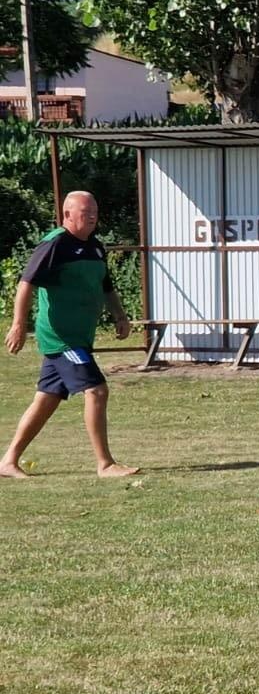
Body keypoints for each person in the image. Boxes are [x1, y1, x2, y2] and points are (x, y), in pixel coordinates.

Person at [2, 190, 139, 479]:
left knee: (47, 398)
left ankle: (8, 460)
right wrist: (18, 324)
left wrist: (120, 314)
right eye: (85, 211)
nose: (92, 216)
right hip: (61, 337)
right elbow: (26, 283)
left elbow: (106, 286)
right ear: (67, 215)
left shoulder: (96, 247)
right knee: (97, 390)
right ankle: (105, 464)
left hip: (80, 336)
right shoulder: (55, 244)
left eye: (95, 211)